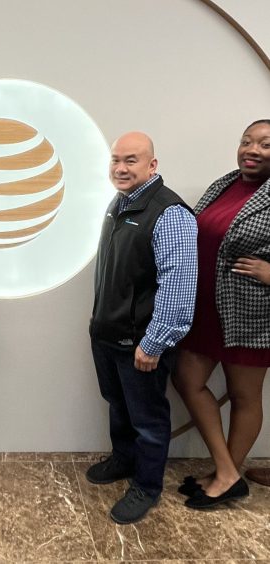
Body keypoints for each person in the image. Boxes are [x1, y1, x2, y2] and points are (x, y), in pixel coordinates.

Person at [86, 132, 198, 524]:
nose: (120, 167)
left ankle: (147, 486)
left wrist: (154, 344)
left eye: (131, 160)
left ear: (152, 165)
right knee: (118, 405)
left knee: (148, 420)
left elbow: (179, 289)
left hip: (141, 344)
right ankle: (123, 460)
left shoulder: (169, 213)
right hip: (108, 335)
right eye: (116, 159)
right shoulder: (119, 205)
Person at [173, 119, 270, 508]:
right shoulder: (226, 184)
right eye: (247, 141)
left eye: (265, 144)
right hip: (205, 307)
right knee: (187, 379)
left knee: (245, 395)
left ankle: (227, 474)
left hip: (250, 313)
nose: (252, 149)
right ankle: (226, 470)